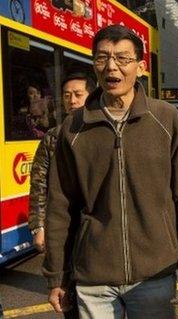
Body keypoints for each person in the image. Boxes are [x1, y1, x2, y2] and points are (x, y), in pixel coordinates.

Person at [43, 25, 178, 318]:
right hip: (93, 278)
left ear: (141, 66)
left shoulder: (166, 119)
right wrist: (57, 274)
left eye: (122, 58)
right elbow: (60, 206)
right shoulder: (73, 128)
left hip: (154, 274)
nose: (111, 67)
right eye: (102, 58)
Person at [28, 72, 94, 318]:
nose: (72, 101)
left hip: (97, 228)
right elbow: (39, 185)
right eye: (67, 96)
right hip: (64, 227)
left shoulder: (102, 133)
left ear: (91, 97)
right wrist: (38, 227)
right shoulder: (53, 138)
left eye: (78, 95)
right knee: (69, 297)